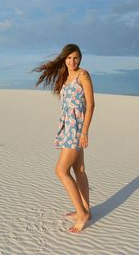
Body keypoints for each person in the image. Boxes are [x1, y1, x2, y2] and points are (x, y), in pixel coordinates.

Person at [34, 44, 95, 233]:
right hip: (67, 127)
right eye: (69, 58)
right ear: (64, 59)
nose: (72, 61)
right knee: (79, 169)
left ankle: (82, 214)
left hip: (76, 129)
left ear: (80, 59)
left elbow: (91, 105)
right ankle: (86, 210)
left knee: (61, 170)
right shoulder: (66, 78)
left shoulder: (83, 75)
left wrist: (84, 131)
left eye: (76, 58)